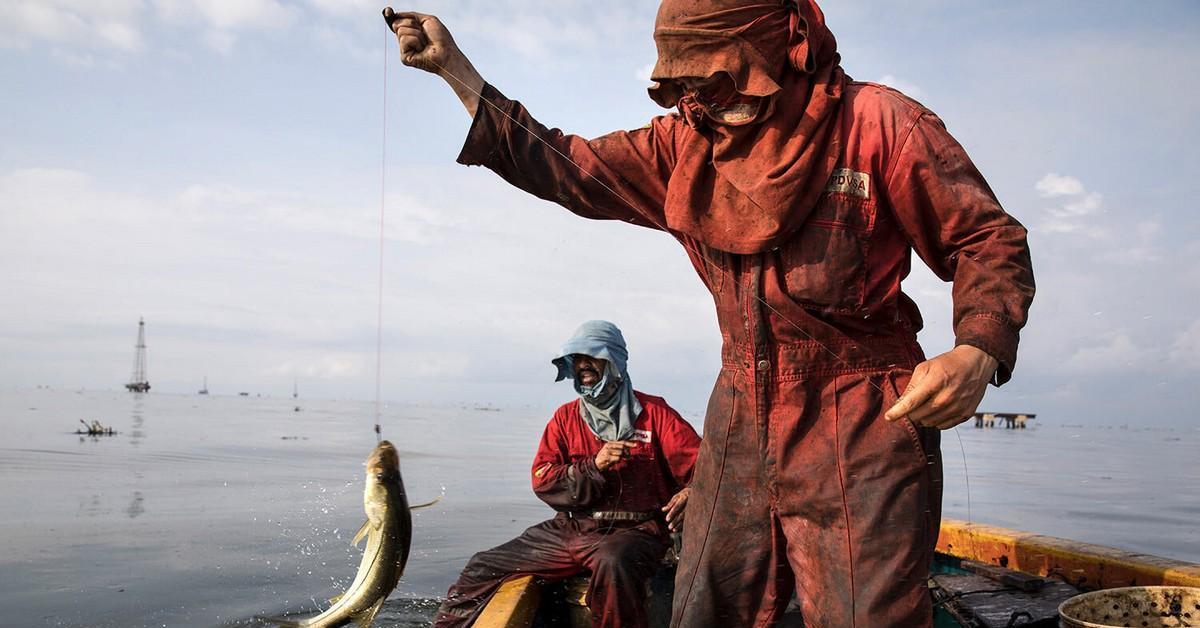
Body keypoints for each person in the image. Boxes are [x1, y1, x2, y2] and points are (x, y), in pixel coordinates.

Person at [386, 1, 1035, 625]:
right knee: (707, 606)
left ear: (775, 52)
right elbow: (568, 166)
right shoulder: (680, 147)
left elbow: (986, 239)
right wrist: (458, 72)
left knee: (867, 615)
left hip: (868, 421)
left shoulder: (879, 124)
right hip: (741, 425)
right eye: (691, 85)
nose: (708, 103)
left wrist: (976, 350)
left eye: (724, 82)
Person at [432, 320, 701, 628]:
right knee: (482, 567)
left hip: (637, 532)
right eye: (577, 359)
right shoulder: (565, 418)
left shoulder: (656, 414)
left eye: (592, 357)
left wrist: (692, 491)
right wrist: (593, 466)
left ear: (614, 361)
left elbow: (707, 469)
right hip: (571, 530)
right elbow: (543, 479)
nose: (583, 365)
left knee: (613, 563)